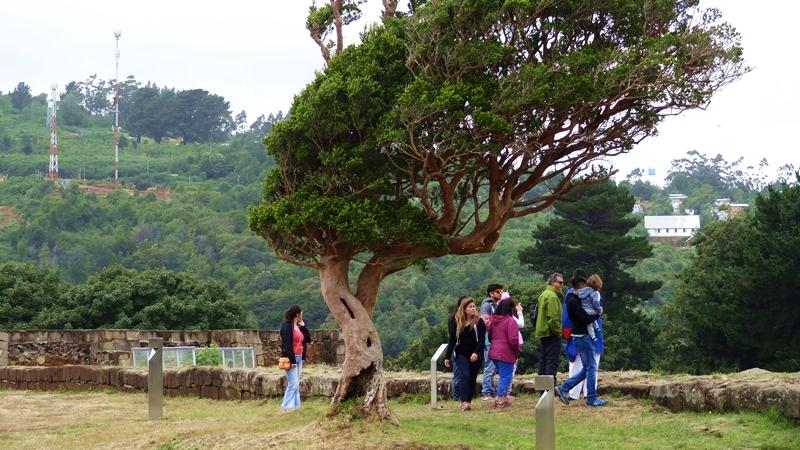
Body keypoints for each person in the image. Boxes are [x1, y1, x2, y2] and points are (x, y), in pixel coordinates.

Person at [556, 269, 607, 407]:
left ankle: (565, 388)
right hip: (583, 336)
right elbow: (585, 318)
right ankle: (590, 397)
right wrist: (597, 314)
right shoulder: (573, 301)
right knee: (591, 368)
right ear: (582, 284)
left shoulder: (575, 298)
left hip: (580, 336)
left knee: (587, 368)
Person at [444, 297, 486, 411]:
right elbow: (452, 339)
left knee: (472, 378)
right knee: (465, 375)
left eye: (474, 306)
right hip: (461, 353)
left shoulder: (479, 322)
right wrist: (447, 356)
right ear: (464, 309)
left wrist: (476, 352)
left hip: (476, 353)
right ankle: (464, 401)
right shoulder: (457, 321)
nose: (473, 308)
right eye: (470, 307)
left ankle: (468, 400)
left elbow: (481, 340)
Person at [488, 299, 521, 409]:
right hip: (506, 352)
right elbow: (513, 339)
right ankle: (501, 400)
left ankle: (498, 399)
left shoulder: (494, 320)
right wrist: (517, 350)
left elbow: (490, 336)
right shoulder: (510, 321)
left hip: (493, 352)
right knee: (506, 377)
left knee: (502, 376)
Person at [279, 304, 311, 411]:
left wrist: (304, 326)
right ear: (297, 314)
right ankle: (286, 406)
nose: (302, 315)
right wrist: (292, 360)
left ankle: (296, 406)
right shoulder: (287, 326)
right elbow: (287, 344)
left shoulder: (299, 326)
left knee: (296, 384)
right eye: (301, 313)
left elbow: (308, 339)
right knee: (293, 384)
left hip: (299, 357)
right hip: (291, 358)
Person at [535, 272, 564, 382]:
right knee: (552, 361)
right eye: (560, 282)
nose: (562, 285)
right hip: (551, 333)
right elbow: (553, 318)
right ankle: (549, 389)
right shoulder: (552, 296)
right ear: (553, 282)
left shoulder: (544, 294)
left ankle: (542, 389)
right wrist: (558, 331)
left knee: (543, 361)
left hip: (543, 332)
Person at [479, 283, 504, 400]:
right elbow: (484, 322)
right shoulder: (487, 305)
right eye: (498, 291)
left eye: (501, 292)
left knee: (493, 367)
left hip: (494, 340)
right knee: (489, 367)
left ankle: (492, 390)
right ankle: (486, 392)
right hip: (489, 340)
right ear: (491, 293)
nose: (501, 294)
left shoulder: (495, 305)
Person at [448, 296, 468, 400]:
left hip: (461, 349)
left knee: (462, 373)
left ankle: (461, 395)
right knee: (458, 374)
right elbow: (453, 336)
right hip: (457, 350)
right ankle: (456, 396)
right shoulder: (455, 318)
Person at [579, 274, 603, 344]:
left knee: (589, 322)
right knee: (593, 317)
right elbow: (595, 303)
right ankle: (595, 331)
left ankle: (594, 334)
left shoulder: (582, 291)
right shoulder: (594, 292)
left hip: (584, 309)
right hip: (591, 310)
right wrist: (599, 310)